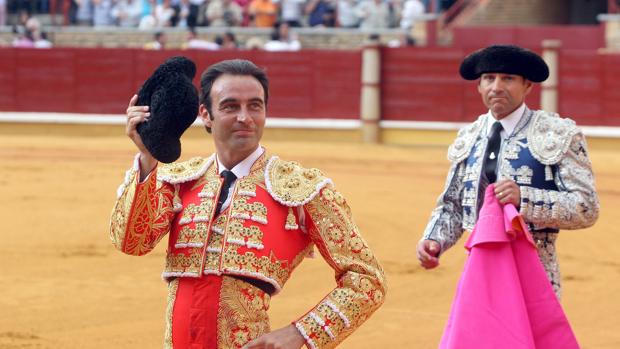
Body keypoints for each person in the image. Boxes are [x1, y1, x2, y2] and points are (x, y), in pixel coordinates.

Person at [110, 59, 386, 348]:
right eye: (231, 106)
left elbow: (368, 280)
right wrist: (147, 157)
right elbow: (131, 242)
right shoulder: (178, 181)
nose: (245, 117)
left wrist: (301, 333)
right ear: (206, 114)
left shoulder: (301, 189)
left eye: (255, 105)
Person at [416, 44, 599, 298]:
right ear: (479, 86)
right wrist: (435, 239)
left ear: (528, 86)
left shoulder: (557, 134)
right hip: (480, 270)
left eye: (508, 79)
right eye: (489, 79)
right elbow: (454, 205)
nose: (496, 87)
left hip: (535, 271)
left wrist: (524, 199)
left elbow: (586, 208)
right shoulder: (470, 136)